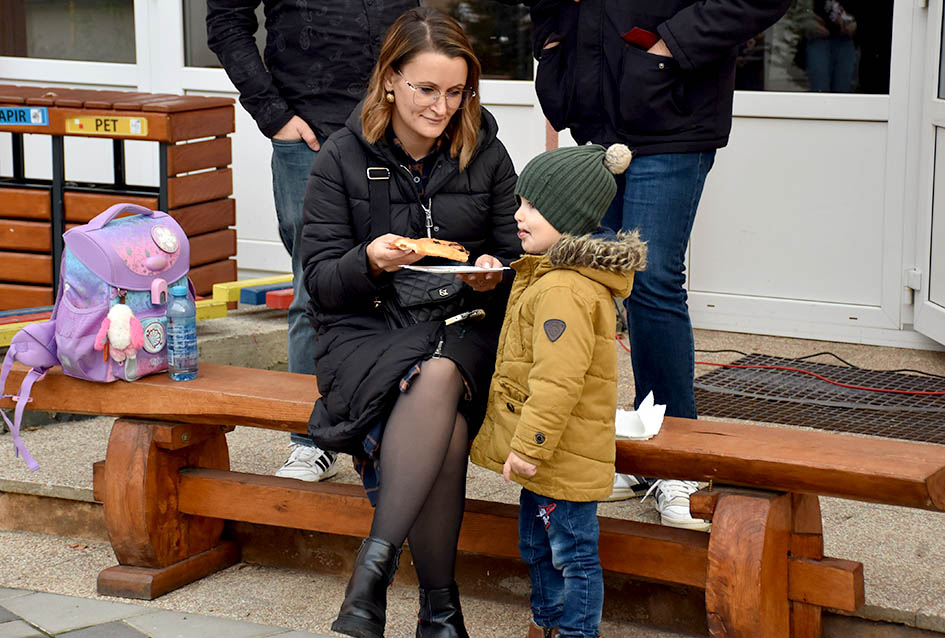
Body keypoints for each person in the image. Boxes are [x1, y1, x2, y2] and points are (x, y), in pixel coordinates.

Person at [502, 0, 791, 528]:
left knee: (651, 282)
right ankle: (634, 448)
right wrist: (552, 40)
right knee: (593, 280)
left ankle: (677, 460)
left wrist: (671, 45)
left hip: (672, 112)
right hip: (594, 113)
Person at [299, 8, 521, 637]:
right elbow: (319, 283)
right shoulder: (340, 156)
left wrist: (490, 270)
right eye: (427, 88)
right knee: (444, 426)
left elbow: (513, 262)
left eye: (457, 92)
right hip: (365, 326)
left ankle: (372, 579)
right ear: (390, 79)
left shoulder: (488, 153)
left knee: (445, 370)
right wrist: (367, 259)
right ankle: (439, 612)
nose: (442, 106)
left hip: (464, 319)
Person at [207, 0, 417, 482]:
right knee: (314, 290)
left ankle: (392, 432)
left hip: (397, 125)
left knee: (406, 277)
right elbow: (225, 21)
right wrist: (273, 114)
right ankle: (310, 441)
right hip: (309, 133)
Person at [470, 143, 647, 638]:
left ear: (568, 216)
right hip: (553, 457)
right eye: (519, 202)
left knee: (571, 554)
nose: (517, 214)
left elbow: (557, 382)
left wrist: (529, 447)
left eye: (532, 206)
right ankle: (546, 624)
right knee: (537, 544)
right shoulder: (549, 274)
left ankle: (574, 632)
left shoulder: (563, 289)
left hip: (559, 455)